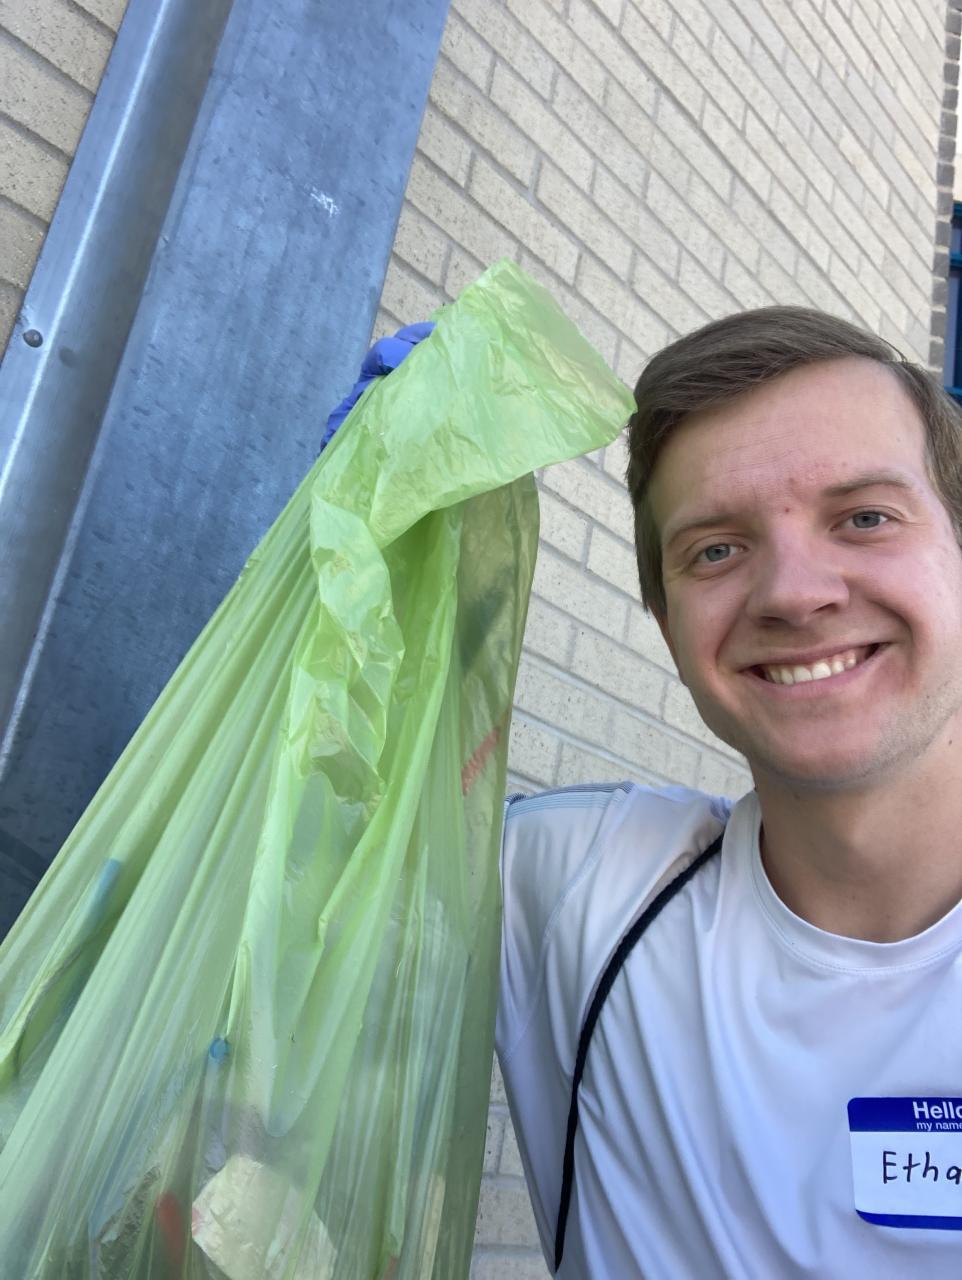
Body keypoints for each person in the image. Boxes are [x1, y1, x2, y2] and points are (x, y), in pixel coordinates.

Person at [499, 307, 962, 1277]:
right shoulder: (568, 891)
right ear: (667, 624)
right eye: (714, 549)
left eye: (864, 517)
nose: (792, 592)